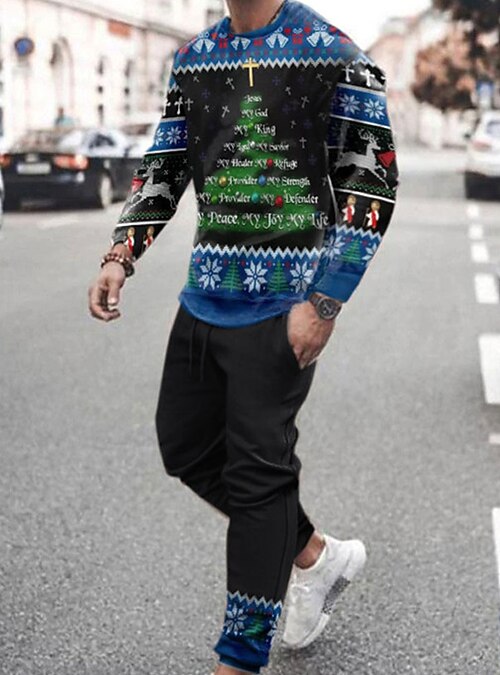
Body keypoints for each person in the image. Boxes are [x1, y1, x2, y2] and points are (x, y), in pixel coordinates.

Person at [88, 1, 399, 673]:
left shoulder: (335, 54)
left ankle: (239, 658)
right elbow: (165, 164)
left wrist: (325, 301)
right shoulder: (195, 57)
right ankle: (313, 553)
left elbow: (371, 185)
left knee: (259, 481)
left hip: (284, 304)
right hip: (205, 294)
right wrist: (121, 252)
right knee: (185, 446)